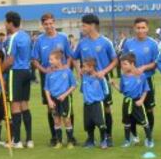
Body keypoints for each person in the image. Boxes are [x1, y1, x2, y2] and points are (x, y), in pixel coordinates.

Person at [70, 13, 118, 146]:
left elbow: (115, 61)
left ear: (92, 26)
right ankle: (90, 138)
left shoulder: (105, 42)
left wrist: (104, 71)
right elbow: (74, 57)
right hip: (87, 81)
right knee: (89, 107)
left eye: (84, 25)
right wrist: (78, 69)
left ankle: (108, 136)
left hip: (102, 80)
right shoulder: (82, 42)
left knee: (106, 108)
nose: (82, 27)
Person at [31, 13, 73, 147]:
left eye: (51, 23)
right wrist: (44, 71)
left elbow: (69, 55)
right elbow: (34, 60)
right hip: (48, 76)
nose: (49, 26)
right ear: (42, 25)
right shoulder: (39, 40)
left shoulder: (63, 37)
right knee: (51, 107)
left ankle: (71, 137)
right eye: (46, 24)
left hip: (63, 77)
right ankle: (55, 137)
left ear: (54, 23)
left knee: (67, 105)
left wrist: (67, 65)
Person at [120, 17, 160, 147]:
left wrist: (143, 68)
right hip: (131, 81)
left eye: (143, 27)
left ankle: (149, 135)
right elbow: (124, 61)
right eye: (138, 28)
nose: (140, 30)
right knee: (130, 110)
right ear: (134, 28)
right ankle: (134, 135)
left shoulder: (153, 44)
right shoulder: (128, 44)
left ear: (147, 28)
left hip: (146, 79)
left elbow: (156, 63)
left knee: (149, 109)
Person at [2, 11, 33, 148]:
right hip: (27, 71)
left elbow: (10, 59)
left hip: (16, 72)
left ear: (10, 23)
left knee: (15, 105)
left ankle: (17, 141)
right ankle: (29, 140)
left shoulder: (12, 38)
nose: (5, 25)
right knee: (24, 104)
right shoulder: (26, 36)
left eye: (5, 22)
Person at [114, 52, 151, 147]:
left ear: (132, 64)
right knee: (127, 122)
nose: (122, 66)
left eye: (125, 64)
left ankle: (149, 139)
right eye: (121, 64)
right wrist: (114, 85)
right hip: (127, 102)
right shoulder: (123, 77)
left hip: (137, 102)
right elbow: (122, 90)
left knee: (143, 121)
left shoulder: (140, 75)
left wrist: (142, 100)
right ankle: (128, 140)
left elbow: (146, 89)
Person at [43, 49, 77, 148]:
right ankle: (59, 142)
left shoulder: (67, 71)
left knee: (67, 120)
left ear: (59, 59)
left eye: (52, 60)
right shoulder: (49, 73)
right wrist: (49, 100)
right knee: (56, 120)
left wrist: (64, 95)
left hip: (65, 99)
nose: (50, 62)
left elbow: (74, 85)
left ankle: (70, 141)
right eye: (49, 60)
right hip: (53, 100)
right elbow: (46, 88)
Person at [79, 57, 109, 148]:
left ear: (91, 67)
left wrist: (98, 97)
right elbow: (82, 90)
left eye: (84, 66)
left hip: (97, 104)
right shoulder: (84, 77)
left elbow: (106, 91)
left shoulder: (100, 77)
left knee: (100, 123)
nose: (83, 68)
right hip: (87, 104)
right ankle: (91, 141)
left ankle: (103, 140)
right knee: (88, 124)